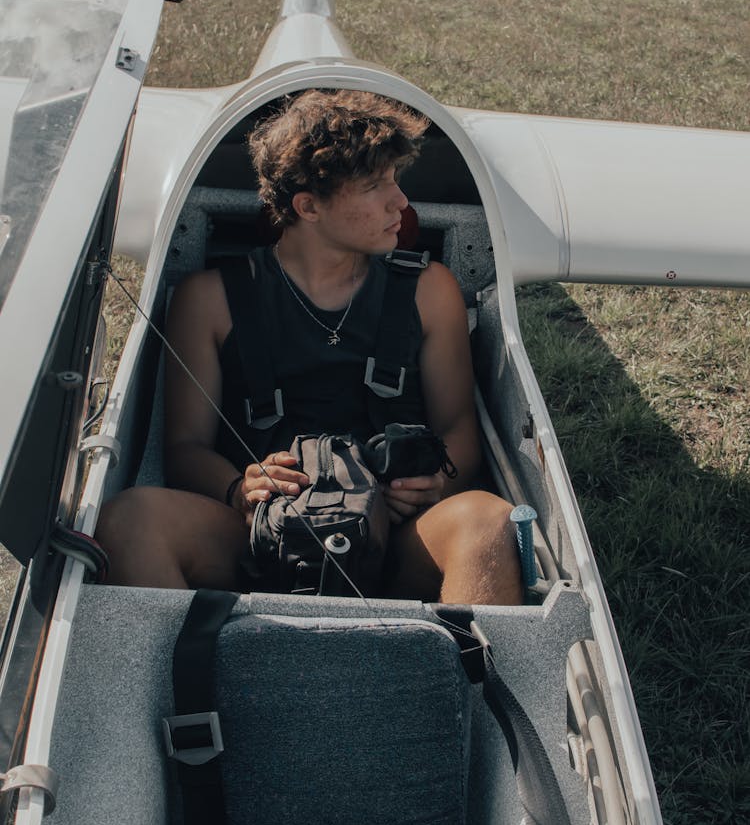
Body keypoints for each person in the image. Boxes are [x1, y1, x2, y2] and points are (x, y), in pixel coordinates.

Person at [96, 90, 522, 604]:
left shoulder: (431, 289)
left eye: (396, 181)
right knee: (130, 520)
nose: (401, 202)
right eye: (374, 185)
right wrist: (242, 489)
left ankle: (456, 679)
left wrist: (434, 485)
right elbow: (185, 449)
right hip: (258, 534)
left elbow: (460, 430)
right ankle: (182, 679)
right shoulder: (207, 300)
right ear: (308, 206)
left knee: (486, 520)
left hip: (394, 538)